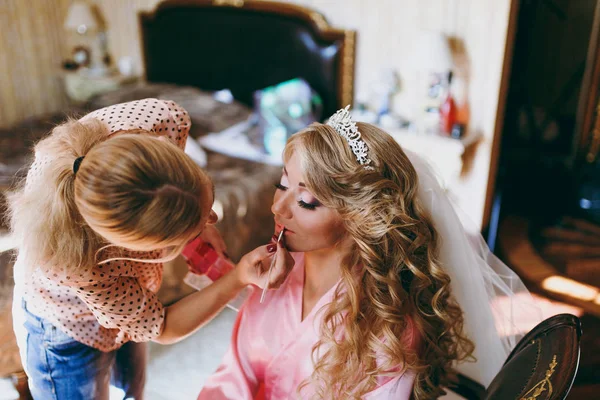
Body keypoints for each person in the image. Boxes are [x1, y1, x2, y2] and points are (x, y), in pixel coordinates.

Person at [198, 107, 541, 399]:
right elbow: (233, 376)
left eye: (306, 201)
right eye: (282, 184)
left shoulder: (388, 329)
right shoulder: (273, 272)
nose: (278, 208)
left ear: (360, 216)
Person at [7, 98, 292, 400]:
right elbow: (164, 325)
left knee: (132, 389)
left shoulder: (162, 121)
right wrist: (236, 279)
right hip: (65, 333)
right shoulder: (79, 263)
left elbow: (176, 193)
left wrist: (199, 227)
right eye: (197, 225)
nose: (215, 218)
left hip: (125, 301)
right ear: (142, 246)